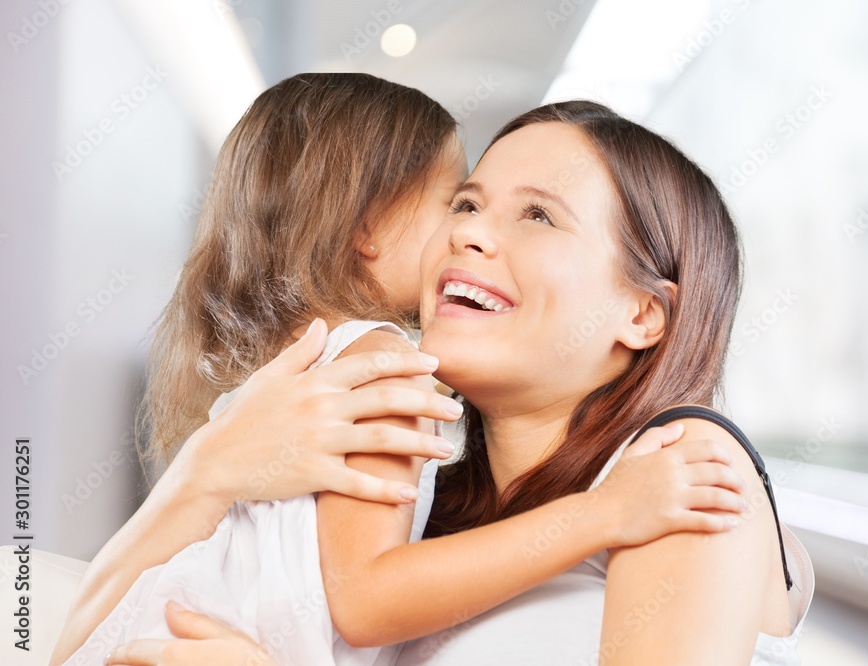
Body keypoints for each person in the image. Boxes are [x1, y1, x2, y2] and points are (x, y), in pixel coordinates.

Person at [50, 77, 750, 666]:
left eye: (539, 215)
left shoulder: (677, 467)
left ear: (645, 313)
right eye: (465, 202)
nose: (465, 232)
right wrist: (201, 473)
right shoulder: (414, 451)